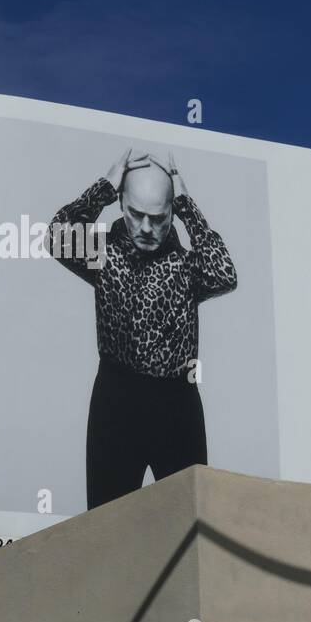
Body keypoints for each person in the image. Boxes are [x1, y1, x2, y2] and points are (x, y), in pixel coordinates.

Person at [48, 149, 237, 509]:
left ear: (171, 213)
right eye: (137, 214)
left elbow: (224, 273)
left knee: (188, 519)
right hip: (116, 397)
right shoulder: (102, 252)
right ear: (121, 204)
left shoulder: (186, 266)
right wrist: (104, 187)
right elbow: (55, 236)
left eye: (159, 217)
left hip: (176, 402)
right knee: (107, 521)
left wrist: (186, 205)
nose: (147, 228)